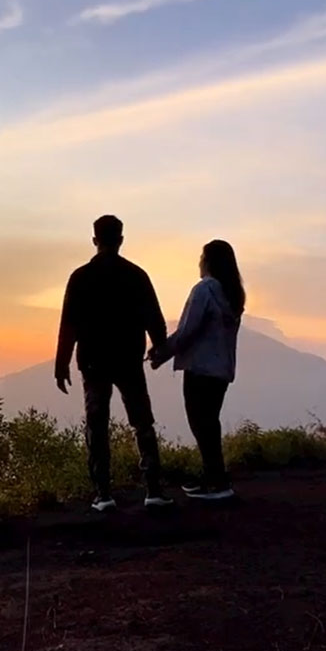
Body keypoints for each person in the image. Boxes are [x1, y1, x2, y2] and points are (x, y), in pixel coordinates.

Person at [55, 215, 172, 512]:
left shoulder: (80, 277)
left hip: (93, 361)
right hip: (129, 359)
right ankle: (154, 490)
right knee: (142, 421)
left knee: (97, 424)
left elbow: (68, 324)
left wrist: (62, 363)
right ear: (121, 239)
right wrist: (159, 348)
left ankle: (103, 494)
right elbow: (154, 319)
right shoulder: (136, 275)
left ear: (95, 240)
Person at [149, 239, 245, 501]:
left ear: (208, 261)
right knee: (209, 423)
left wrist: (160, 353)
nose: (199, 262)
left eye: (202, 257)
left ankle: (217, 483)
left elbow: (187, 331)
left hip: (200, 368)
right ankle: (214, 477)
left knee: (201, 424)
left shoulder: (204, 290)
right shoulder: (233, 294)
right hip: (222, 370)